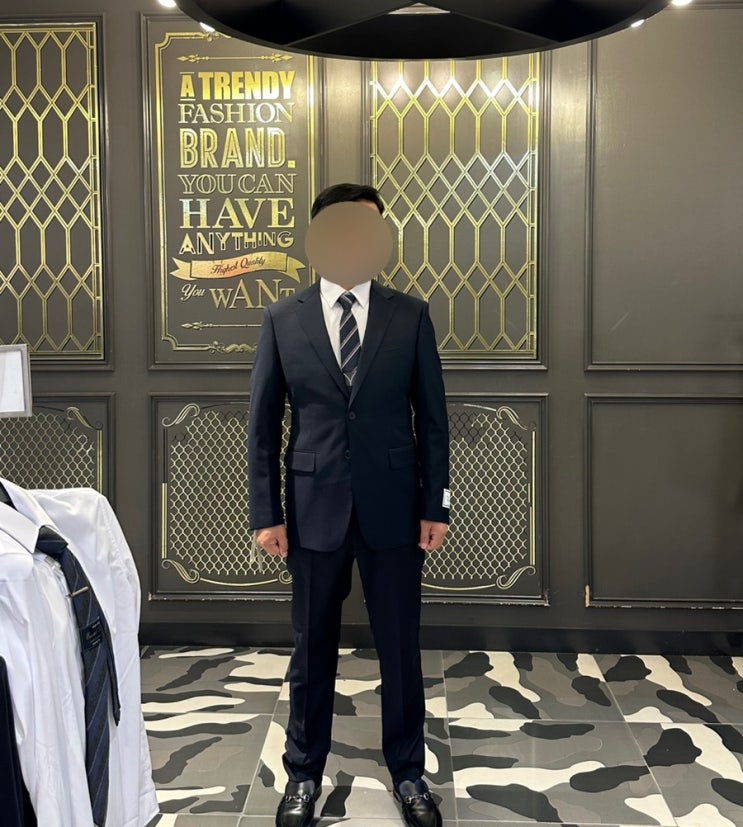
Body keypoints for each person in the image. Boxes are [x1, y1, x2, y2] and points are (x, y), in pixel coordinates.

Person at [248, 182, 450, 827]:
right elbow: (262, 425)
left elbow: (434, 421)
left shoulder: (409, 315)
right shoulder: (283, 319)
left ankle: (409, 773)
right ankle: (303, 774)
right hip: (312, 510)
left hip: (396, 509)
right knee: (312, 649)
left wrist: (437, 505)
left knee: (400, 648)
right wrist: (265, 513)